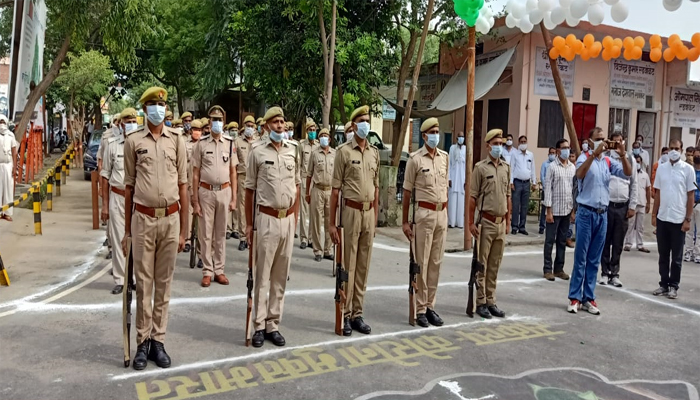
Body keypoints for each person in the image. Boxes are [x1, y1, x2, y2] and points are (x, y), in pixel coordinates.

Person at [122, 87, 188, 370]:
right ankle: (142, 342)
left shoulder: (177, 140)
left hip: (171, 219)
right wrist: (126, 231)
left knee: (164, 285)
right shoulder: (133, 141)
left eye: (162, 104)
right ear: (145, 108)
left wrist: (185, 229)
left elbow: (184, 185)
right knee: (143, 285)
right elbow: (129, 188)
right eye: (153, 104)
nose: (158, 109)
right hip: (143, 220)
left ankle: (158, 341)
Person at [245, 106, 300, 348]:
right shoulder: (256, 151)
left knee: (280, 276)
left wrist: (295, 219)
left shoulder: (293, 151)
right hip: (266, 218)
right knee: (263, 275)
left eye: (282, 121)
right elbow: (249, 190)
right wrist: (248, 224)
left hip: (287, 218)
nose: (280, 125)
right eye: (275, 122)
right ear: (266, 126)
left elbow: (296, 187)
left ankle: (273, 323)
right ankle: (258, 325)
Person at [567, 127, 631, 315]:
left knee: (594, 259)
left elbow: (627, 173)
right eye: (598, 138)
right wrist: (594, 154)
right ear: (590, 139)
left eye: (604, 139)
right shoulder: (584, 157)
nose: (603, 142)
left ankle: (589, 297)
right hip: (586, 213)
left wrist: (623, 154)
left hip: (602, 213)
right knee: (581, 257)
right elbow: (579, 174)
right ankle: (574, 297)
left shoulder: (609, 161)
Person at [330, 105, 380, 336]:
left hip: (368, 213)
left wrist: (376, 217)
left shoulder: (374, 152)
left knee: (363, 265)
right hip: (350, 212)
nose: (365, 124)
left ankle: (358, 313)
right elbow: (335, 191)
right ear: (353, 125)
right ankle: (346, 312)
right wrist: (332, 223)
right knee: (348, 265)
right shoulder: (343, 152)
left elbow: (377, 188)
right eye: (361, 120)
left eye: (367, 120)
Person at [402, 118, 448, 327]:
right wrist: (405, 221)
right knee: (421, 262)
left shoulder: (444, 158)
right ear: (424, 136)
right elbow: (407, 192)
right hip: (424, 215)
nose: (436, 135)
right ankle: (420, 308)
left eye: (438, 131)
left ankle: (430, 306)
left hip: (441, 215)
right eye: (432, 132)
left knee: (436, 263)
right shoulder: (415, 159)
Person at [192, 106, 238, 287]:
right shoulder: (201, 144)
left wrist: (234, 198)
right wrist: (195, 200)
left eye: (219, 119)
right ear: (209, 122)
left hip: (224, 191)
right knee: (205, 233)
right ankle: (207, 271)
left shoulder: (230, 143)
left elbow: (234, 172)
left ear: (223, 122)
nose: (216, 123)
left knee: (220, 233)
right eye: (213, 119)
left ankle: (219, 270)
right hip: (206, 192)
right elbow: (195, 173)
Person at [469, 129, 511, 319]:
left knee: (495, 264)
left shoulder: (505, 167)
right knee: (482, 264)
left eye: (500, 144)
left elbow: (508, 196)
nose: (498, 147)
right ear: (488, 146)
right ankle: (480, 301)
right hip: (485, 222)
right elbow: (472, 197)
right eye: (495, 144)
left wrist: (508, 221)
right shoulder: (480, 168)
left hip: (501, 223)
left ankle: (491, 300)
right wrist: (471, 222)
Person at [652, 138, 695, 300]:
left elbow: (690, 195)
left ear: (682, 150)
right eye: (671, 148)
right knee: (663, 255)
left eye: (676, 148)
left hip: (678, 219)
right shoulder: (662, 169)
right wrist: (654, 215)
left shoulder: (688, 170)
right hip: (663, 217)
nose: (673, 151)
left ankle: (673, 286)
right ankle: (663, 284)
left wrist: (687, 219)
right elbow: (658, 194)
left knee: (676, 258)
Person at [101, 108, 137, 294]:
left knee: (138, 239)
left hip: (138, 199)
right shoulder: (112, 145)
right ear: (121, 124)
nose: (131, 122)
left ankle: (136, 278)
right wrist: (105, 205)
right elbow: (105, 176)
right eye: (127, 120)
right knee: (117, 239)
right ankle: (121, 279)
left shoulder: (141, 143)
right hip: (118, 196)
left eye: (133, 119)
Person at [599, 132, 638, 288]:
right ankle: (604, 272)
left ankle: (615, 274)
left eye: (619, 142)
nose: (617, 145)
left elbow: (634, 183)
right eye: (614, 142)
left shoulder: (630, 159)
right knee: (604, 241)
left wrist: (632, 206)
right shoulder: (605, 159)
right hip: (607, 205)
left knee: (618, 242)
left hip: (622, 206)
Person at [542, 139, 574, 281]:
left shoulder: (572, 167)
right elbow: (547, 189)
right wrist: (548, 211)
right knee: (550, 241)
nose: (567, 150)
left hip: (567, 210)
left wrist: (573, 210)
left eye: (568, 147)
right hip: (554, 211)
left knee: (562, 240)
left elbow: (574, 190)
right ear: (558, 150)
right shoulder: (552, 167)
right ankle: (547, 269)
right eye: (564, 148)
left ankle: (559, 268)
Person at [306, 128, 335, 262]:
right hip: (317, 189)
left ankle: (328, 249)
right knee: (317, 221)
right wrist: (307, 192)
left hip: (330, 190)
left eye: (326, 136)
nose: (324, 138)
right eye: (321, 135)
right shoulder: (314, 154)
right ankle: (317, 250)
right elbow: (309, 174)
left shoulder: (334, 154)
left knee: (330, 220)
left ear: (329, 139)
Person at [235, 115, 257, 252]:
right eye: (247, 125)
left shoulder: (259, 142)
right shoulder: (237, 142)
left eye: (252, 125)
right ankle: (243, 237)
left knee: (256, 207)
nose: (250, 128)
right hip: (242, 177)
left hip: (256, 178)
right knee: (242, 207)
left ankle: (254, 235)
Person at [298, 119, 319, 249]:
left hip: (315, 181)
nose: (312, 132)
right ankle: (304, 238)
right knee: (304, 210)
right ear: (306, 131)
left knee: (313, 211)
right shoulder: (301, 145)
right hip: (304, 179)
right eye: (310, 130)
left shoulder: (318, 145)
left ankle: (311, 238)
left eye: (314, 130)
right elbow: (298, 164)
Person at [624, 154, 651, 253]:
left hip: (642, 203)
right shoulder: (629, 173)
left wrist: (648, 203)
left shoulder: (645, 175)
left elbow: (648, 189)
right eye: (636, 162)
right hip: (632, 204)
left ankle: (640, 244)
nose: (638, 163)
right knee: (630, 225)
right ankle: (628, 244)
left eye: (639, 161)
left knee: (640, 226)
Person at [184, 119, 203, 259]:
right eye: (194, 129)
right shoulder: (185, 144)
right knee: (188, 212)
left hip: (202, 185)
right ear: (191, 131)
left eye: (199, 130)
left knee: (202, 218)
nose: (196, 132)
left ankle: (201, 250)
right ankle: (187, 239)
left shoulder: (205, 145)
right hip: (188, 182)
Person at [509, 135, 536, 235]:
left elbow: (533, 168)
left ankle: (522, 226)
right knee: (516, 205)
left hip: (526, 183)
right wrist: (511, 182)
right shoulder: (515, 154)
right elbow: (511, 168)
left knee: (525, 206)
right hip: (517, 182)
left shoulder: (530, 155)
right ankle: (514, 226)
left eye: (525, 141)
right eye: (521, 142)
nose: (523, 143)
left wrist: (534, 182)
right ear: (518, 143)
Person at [683, 148, 700, 263]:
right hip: (689, 202)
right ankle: (688, 251)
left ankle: (697, 253)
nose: (697, 157)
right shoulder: (688, 170)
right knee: (688, 229)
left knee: (699, 232)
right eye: (696, 155)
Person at [0, 115, 17, 221]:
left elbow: (14, 152)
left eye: (3, 121)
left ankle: (7, 213)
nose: (1, 124)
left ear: (6, 123)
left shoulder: (11, 136)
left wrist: (14, 167)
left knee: (8, 189)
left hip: (8, 165)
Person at [448, 131, 466, 229]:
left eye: (462, 137)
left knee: (461, 201)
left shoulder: (466, 149)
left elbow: (467, 166)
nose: (461, 138)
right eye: (460, 136)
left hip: (462, 178)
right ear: (456, 138)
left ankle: (460, 223)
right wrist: (449, 178)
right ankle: (452, 222)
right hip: (454, 178)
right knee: (452, 200)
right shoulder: (452, 148)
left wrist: (467, 180)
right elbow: (449, 164)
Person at [539, 147, 557, 234]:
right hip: (546, 190)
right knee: (544, 209)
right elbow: (542, 176)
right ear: (548, 154)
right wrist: (547, 187)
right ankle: (542, 227)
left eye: (554, 153)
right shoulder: (544, 164)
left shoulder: (557, 165)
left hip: (555, 191)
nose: (552, 154)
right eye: (551, 153)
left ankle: (552, 228)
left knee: (554, 210)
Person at [566, 151, 577, 248]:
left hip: (577, 196)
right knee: (570, 219)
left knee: (574, 218)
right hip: (568, 195)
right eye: (570, 156)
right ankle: (567, 238)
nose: (571, 157)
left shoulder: (576, 168)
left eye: (573, 156)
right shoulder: (568, 167)